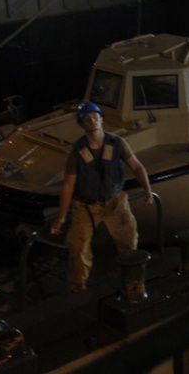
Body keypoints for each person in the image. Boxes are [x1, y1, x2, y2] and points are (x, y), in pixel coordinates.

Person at [50, 102, 154, 293]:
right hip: (87, 206)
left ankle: (133, 284)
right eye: (87, 118)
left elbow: (136, 167)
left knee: (129, 242)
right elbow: (68, 184)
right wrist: (62, 216)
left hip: (115, 202)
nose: (92, 120)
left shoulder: (117, 143)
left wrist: (147, 190)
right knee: (78, 246)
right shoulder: (77, 151)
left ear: (101, 119)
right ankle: (76, 289)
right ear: (82, 124)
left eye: (95, 116)